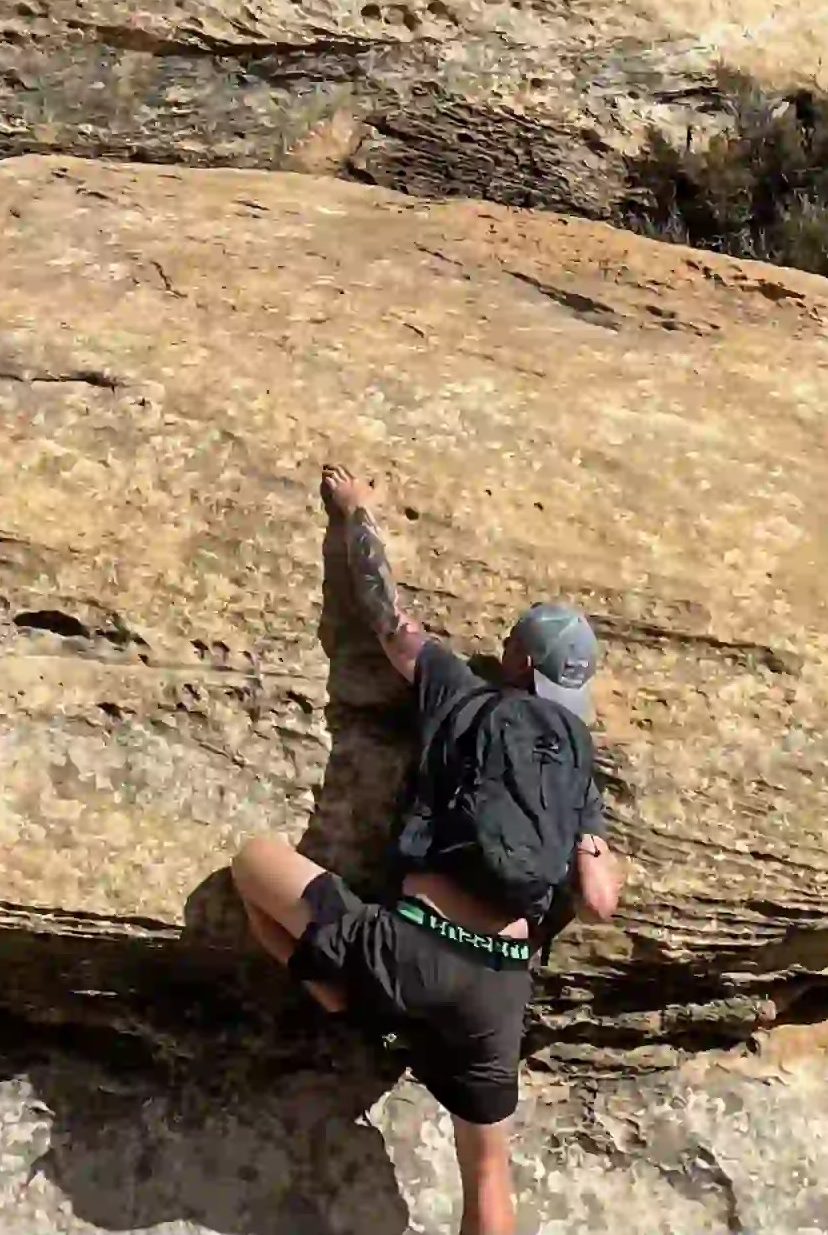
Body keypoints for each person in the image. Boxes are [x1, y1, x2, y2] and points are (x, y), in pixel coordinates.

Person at [228, 465, 626, 1235]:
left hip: (410, 948)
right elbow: (601, 899)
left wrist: (354, 515)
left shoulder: (462, 691)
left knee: (253, 866)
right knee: (486, 1172)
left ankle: (338, 994)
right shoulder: (578, 762)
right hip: (500, 991)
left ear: (513, 656)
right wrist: (602, 860)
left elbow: (386, 617)